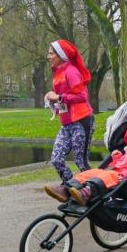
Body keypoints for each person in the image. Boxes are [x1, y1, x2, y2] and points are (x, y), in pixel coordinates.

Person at [43, 119, 127, 205]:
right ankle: (66, 188)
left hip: (123, 177)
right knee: (92, 172)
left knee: (104, 177)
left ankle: (86, 193)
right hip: (113, 171)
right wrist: (116, 156)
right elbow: (120, 163)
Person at [45, 39, 95, 185]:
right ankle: (72, 187)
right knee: (56, 159)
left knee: (81, 161)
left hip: (81, 122)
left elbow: (82, 96)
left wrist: (59, 96)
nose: (48, 57)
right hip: (67, 125)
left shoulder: (71, 72)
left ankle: (94, 191)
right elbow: (63, 100)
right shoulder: (58, 73)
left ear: (61, 55)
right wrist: (53, 102)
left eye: (51, 53)